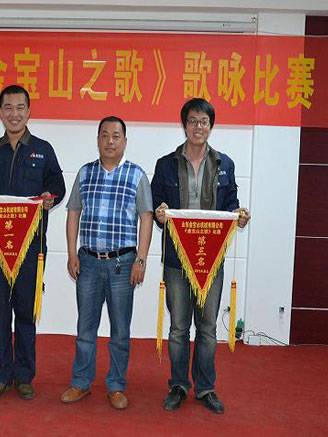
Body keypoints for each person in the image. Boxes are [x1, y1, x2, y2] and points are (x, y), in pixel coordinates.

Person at [0, 85, 65, 400]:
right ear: (0, 112)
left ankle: (24, 376)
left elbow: (58, 186)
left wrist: (50, 196)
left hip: (31, 248)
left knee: (25, 312)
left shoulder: (43, 150)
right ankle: (1, 376)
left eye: (20, 107)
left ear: (29, 111)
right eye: (8, 107)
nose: (14, 114)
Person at [151, 98, 250, 414]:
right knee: (178, 328)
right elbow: (156, 203)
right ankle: (179, 385)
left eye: (203, 121)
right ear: (184, 125)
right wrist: (160, 213)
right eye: (192, 120)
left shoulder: (225, 164)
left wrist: (239, 214)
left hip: (211, 259)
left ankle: (206, 388)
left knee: (207, 328)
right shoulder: (166, 164)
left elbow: (231, 202)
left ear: (211, 126)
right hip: (177, 261)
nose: (198, 126)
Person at [60, 116, 153, 410]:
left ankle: (116, 385)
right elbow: (73, 212)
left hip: (123, 265)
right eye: (104, 135)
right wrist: (72, 253)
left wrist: (141, 259)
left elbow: (146, 218)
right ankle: (81, 382)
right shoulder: (85, 173)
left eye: (115, 136)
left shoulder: (137, 175)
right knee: (85, 329)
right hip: (88, 262)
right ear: (98, 140)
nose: (110, 141)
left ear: (125, 141)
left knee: (120, 330)